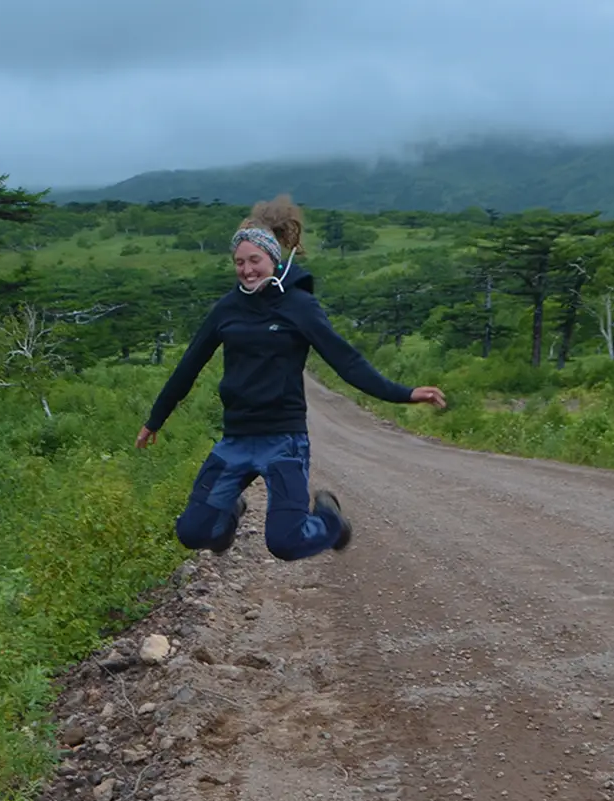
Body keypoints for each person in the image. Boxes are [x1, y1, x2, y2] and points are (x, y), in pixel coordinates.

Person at [134, 196, 446, 558]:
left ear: (273, 259)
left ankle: (330, 521)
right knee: (193, 532)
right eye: (239, 262)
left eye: (255, 261)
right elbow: (189, 366)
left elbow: (346, 361)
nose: (247, 270)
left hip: (283, 439)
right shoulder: (226, 309)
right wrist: (155, 420)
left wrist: (404, 393)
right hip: (236, 439)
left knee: (285, 543)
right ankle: (230, 515)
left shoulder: (299, 306)